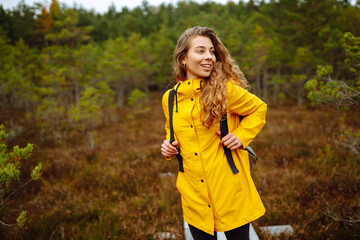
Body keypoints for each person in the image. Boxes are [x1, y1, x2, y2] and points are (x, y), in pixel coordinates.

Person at [161, 26, 267, 240]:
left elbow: (259, 108)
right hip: (194, 195)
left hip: (230, 190)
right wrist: (169, 147)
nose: (209, 56)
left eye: (211, 51)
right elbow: (172, 135)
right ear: (183, 58)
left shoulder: (226, 90)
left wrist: (241, 136)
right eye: (200, 51)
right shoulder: (170, 98)